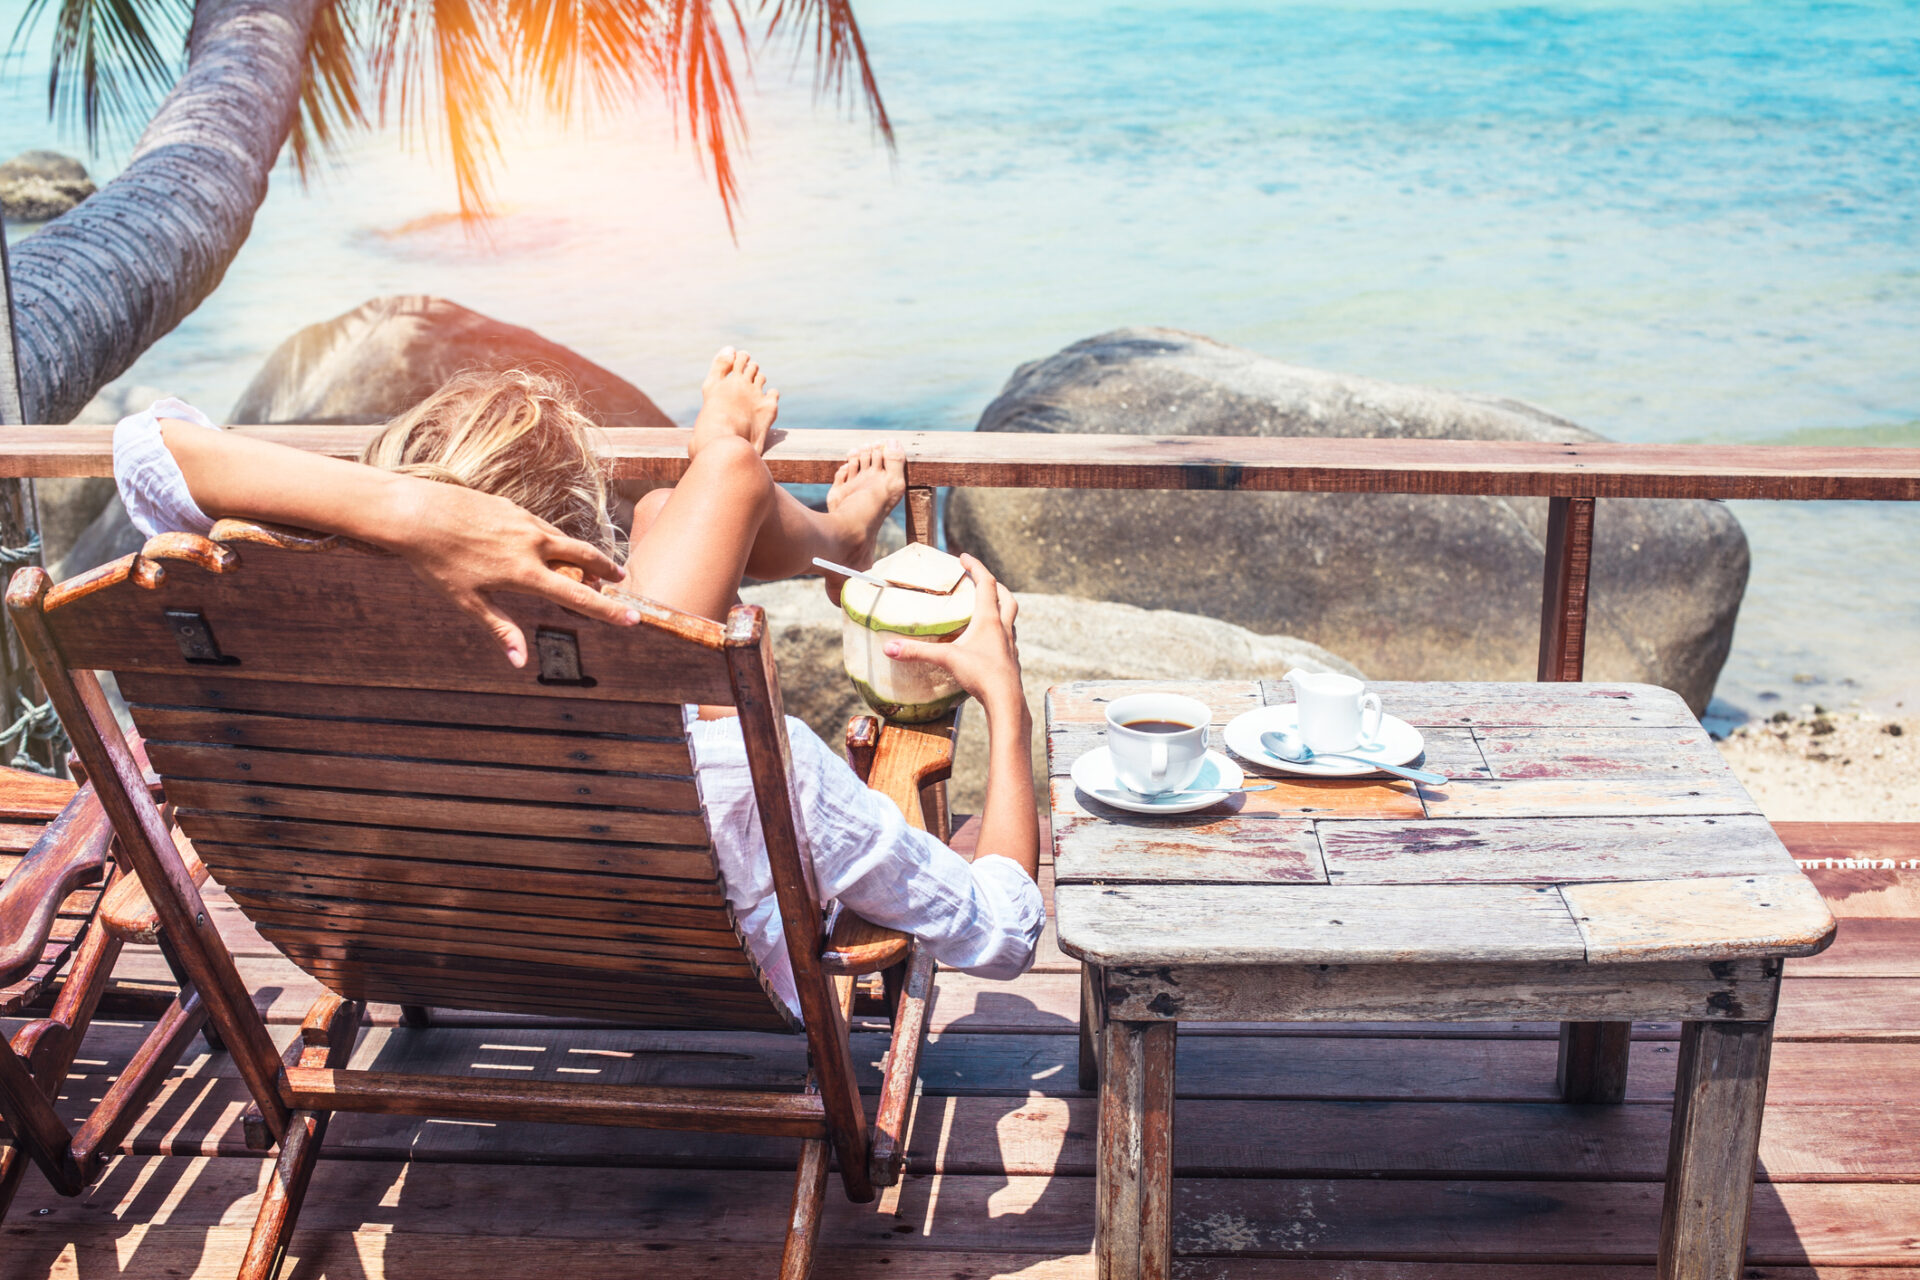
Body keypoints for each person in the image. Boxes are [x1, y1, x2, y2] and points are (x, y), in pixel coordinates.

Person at [112, 351, 1044, 1016]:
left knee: (669, 511)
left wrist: (408, 517)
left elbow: (145, 449)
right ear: (578, 567)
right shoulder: (758, 774)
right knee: (687, 505)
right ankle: (812, 526)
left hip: (441, 933)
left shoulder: (310, 697)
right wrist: (1004, 700)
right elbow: (1003, 934)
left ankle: (729, 482)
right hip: (680, 947)